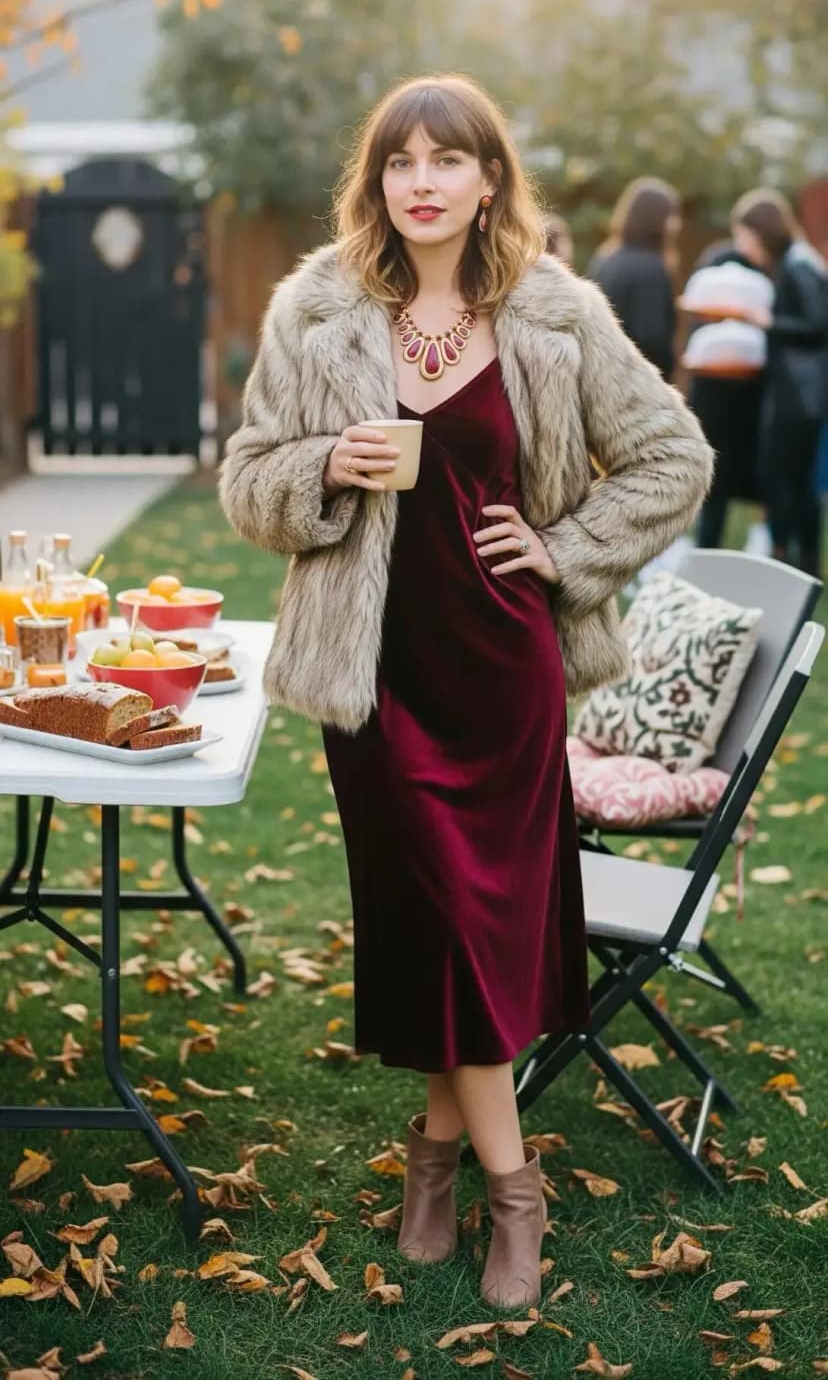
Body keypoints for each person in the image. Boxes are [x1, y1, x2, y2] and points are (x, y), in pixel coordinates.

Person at [217, 75, 713, 1310]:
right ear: (376, 181)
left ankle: (443, 1164)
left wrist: (568, 547)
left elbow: (674, 454)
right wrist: (328, 459)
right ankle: (510, 1182)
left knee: (472, 930)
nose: (423, 180)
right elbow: (245, 479)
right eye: (400, 161)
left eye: (449, 159)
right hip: (373, 675)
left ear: (490, 178)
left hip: (503, 674)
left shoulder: (554, 312)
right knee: (436, 913)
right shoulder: (318, 311)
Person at [731, 188, 828, 578]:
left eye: (744, 235)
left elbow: (819, 324)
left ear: (760, 231)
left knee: (786, 480)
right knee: (797, 483)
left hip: (799, 398)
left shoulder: (798, 266)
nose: (742, 245)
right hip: (802, 395)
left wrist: (766, 322)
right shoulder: (796, 262)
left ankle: (788, 561)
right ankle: (800, 562)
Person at [686, 238, 767, 549]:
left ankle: (707, 545)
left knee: (714, 485)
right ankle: (759, 541)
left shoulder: (706, 336)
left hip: (714, 408)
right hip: (746, 404)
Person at [587, 176, 682, 380]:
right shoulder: (652, 269)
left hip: (601, 378)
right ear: (657, 220)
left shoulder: (605, 259)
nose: (677, 224)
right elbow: (652, 339)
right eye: (672, 216)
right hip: (636, 387)